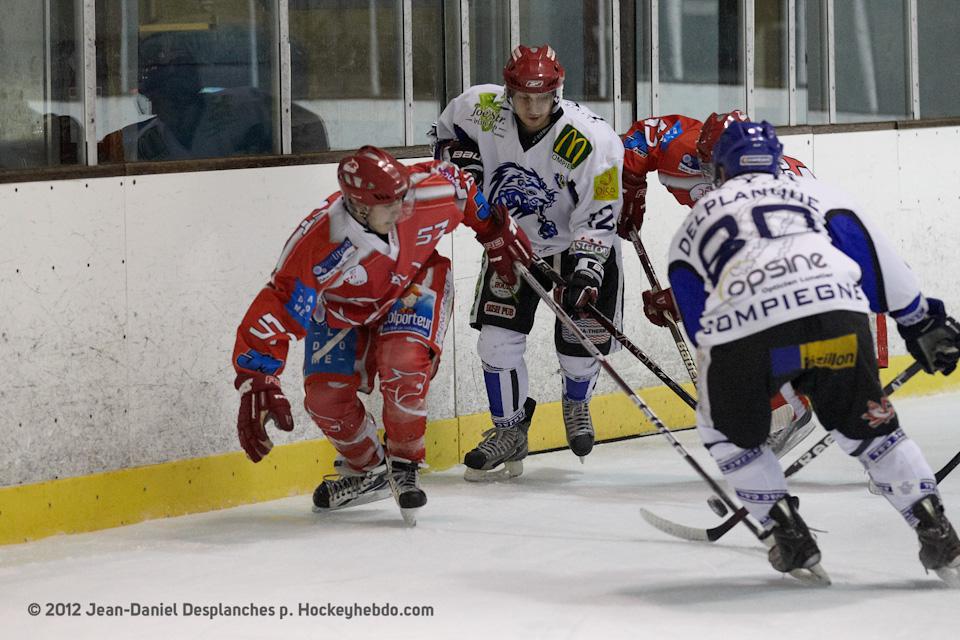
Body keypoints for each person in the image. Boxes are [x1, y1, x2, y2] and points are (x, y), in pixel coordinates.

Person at [666, 120, 960, 583]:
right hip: (835, 324)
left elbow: (700, 324)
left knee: (724, 431)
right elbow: (875, 259)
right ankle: (934, 525)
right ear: (776, 160)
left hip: (749, 336)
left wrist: (741, 388)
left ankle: (788, 535)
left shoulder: (693, 223)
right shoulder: (815, 193)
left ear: (720, 169)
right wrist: (921, 320)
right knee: (874, 430)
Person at [230, 146, 532, 524]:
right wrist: (257, 375)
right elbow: (280, 301)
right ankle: (369, 470)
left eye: (402, 196)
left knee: (403, 364)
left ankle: (404, 463)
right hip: (343, 308)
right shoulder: (320, 239)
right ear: (359, 207)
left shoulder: (423, 193)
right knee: (324, 398)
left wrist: (495, 232)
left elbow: (463, 186)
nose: (401, 209)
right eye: (389, 204)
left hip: (413, 285)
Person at [431, 44, 625, 480]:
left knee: (579, 344)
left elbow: (601, 212)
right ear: (508, 92)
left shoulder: (593, 140)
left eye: (542, 98)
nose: (533, 108)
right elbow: (448, 134)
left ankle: (576, 401)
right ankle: (510, 430)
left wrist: (587, 270)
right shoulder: (481, 108)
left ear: (558, 92)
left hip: (580, 243)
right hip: (513, 240)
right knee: (496, 341)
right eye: (523, 97)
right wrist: (462, 165)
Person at [618, 111, 816, 458]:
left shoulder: (775, 196)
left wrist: (680, 300)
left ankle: (791, 413)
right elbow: (647, 137)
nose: (714, 177)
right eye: (707, 165)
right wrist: (630, 186)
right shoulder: (688, 149)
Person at [100, 44, 272, 162]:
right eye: (150, 98)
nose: (154, 106)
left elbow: (284, 120)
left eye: (157, 97)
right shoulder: (147, 140)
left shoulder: (245, 103)